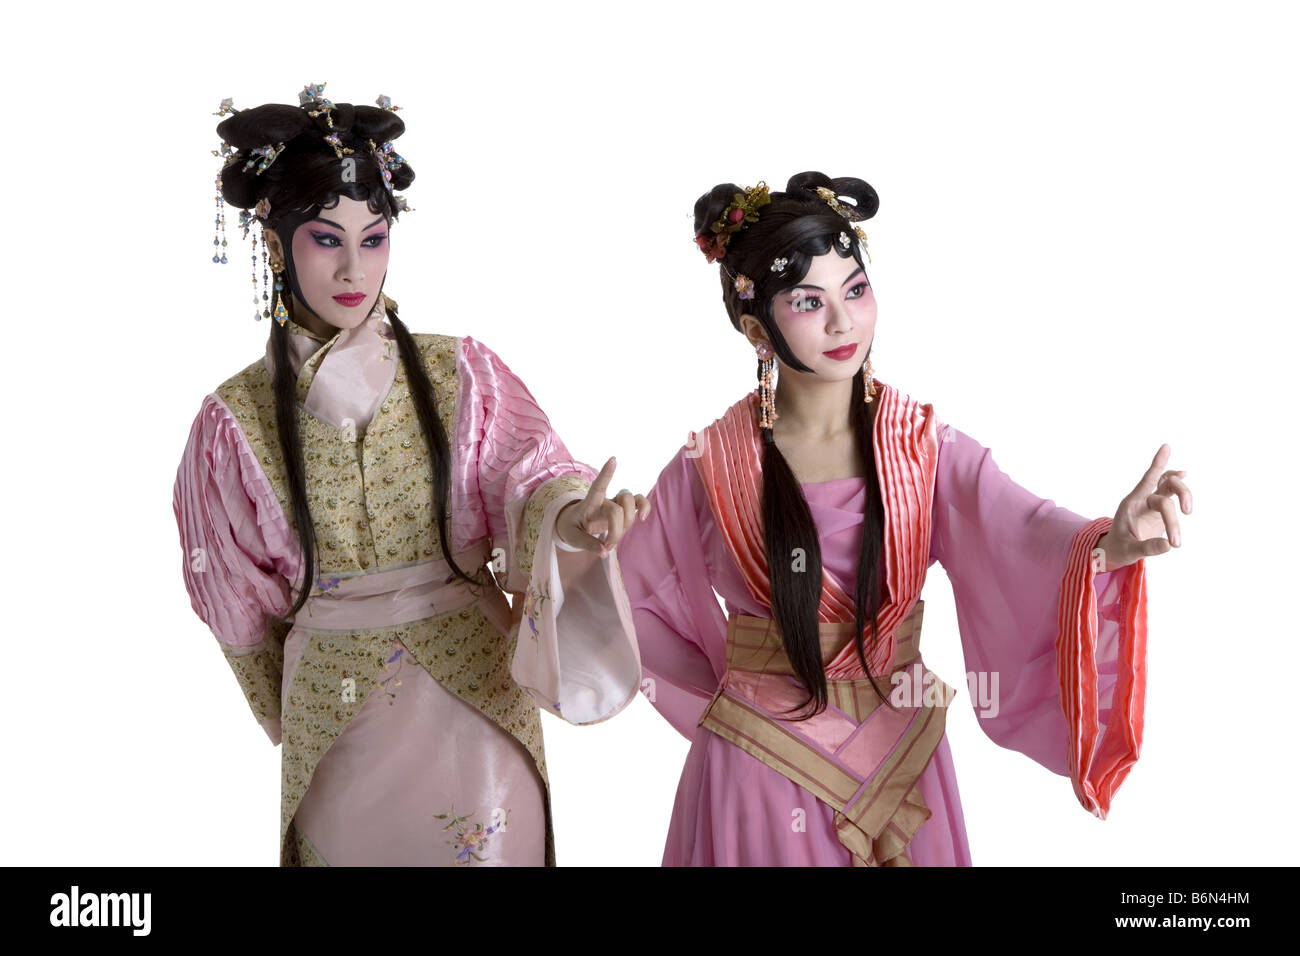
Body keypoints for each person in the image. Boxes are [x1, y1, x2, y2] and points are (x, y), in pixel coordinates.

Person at [615, 171, 1191, 866]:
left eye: (855, 291)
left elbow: (1021, 530)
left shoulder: (920, 448)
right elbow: (628, 590)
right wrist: (579, 545)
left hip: (900, 747)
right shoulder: (710, 466)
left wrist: (1108, 544)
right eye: (807, 302)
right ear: (754, 329)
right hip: (758, 762)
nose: (842, 322)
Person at [173, 83, 649, 866]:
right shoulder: (234, 420)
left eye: (374, 236)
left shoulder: (459, 372)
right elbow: (238, 614)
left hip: (476, 701)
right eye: (328, 239)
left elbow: (531, 478)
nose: (355, 267)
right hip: (336, 718)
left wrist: (572, 522)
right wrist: (295, 708)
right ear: (273, 240)